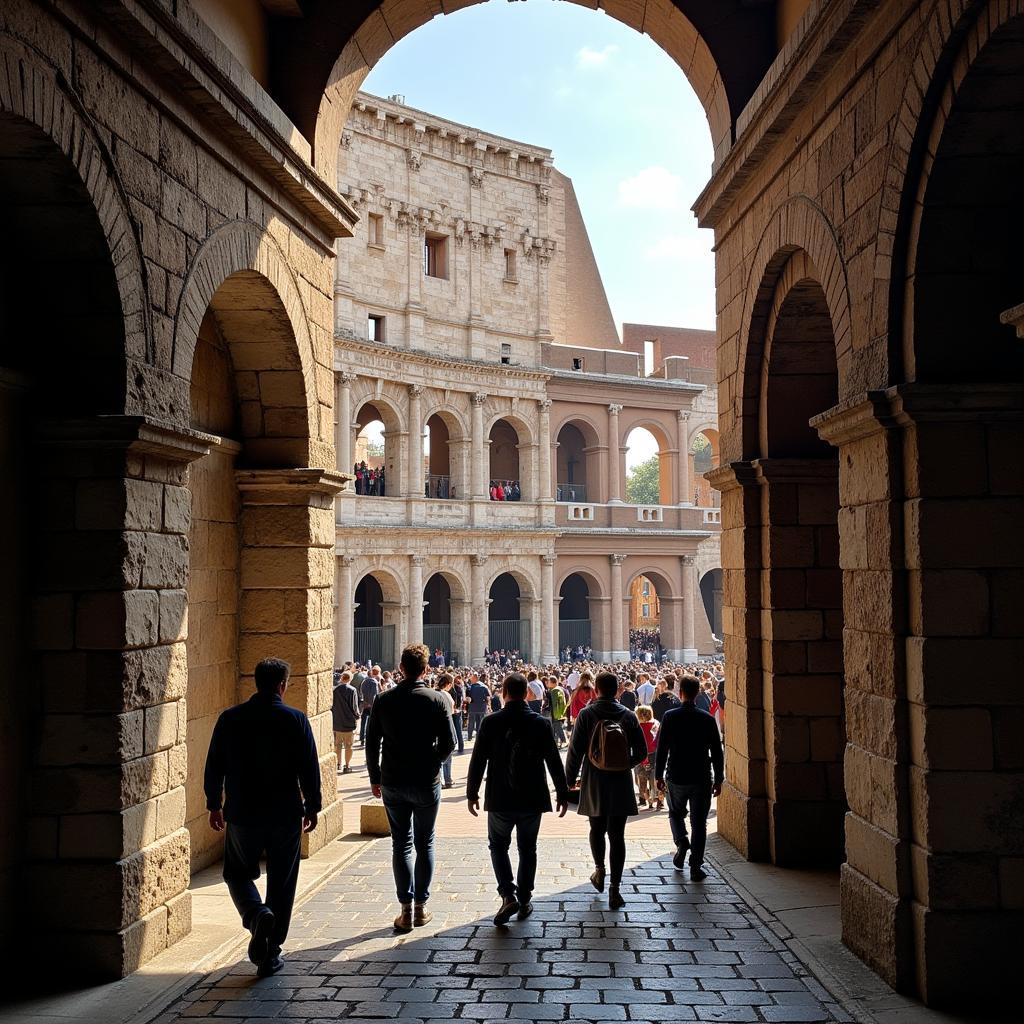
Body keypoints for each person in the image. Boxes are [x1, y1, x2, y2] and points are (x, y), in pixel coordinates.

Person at [203, 658, 321, 978]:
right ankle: (271, 953)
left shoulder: (230, 719)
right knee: (282, 881)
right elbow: (309, 768)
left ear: (256, 683)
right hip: (284, 813)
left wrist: (214, 803)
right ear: (282, 685)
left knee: (237, 874)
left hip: (243, 813)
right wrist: (313, 806)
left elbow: (214, 765)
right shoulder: (296, 720)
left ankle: (256, 915)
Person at [366, 643, 457, 931]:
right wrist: (433, 763)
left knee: (400, 844)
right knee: (425, 842)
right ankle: (421, 908)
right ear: (426, 669)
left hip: (393, 780)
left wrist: (374, 776)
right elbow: (450, 743)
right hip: (425, 781)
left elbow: (371, 742)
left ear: (401, 668)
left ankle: (405, 911)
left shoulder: (383, 700)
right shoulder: (436, 699)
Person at [467, 672, 569, 925]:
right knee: (528, 848)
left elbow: (478, 760)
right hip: (532, 797)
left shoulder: (491, 722)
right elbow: (554, 762)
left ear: (503, 692)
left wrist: (472, 793)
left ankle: (507, 894)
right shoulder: (541, 723)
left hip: (500, 796)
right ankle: (524, 897)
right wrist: (562, 793)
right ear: (527, 694)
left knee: (498, 846)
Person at [565, 671, 647, 911]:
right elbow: (641, 752)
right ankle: (615, 889)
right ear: (618, 690)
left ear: (597, 690)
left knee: (596, 828)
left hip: (594, 781)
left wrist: (567, 781)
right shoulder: (629, 716)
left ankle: (599, 870)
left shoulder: (587, 714)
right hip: (620, 781)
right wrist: (624, 764)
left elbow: (575, 752)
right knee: (617, 835)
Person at [655, 674, 724, 882]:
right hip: (701, 776)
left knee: (675, 814)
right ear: (698, 693)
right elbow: (717, 751)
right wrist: (719, 778)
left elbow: (662, 748)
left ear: (681, 693)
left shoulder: (670, 716)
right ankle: (696, 865)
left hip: (676, 775)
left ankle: (682, 841)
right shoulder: (707, 719)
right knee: (699, 823)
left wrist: (658, 775)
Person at [331, 669, 360, 774]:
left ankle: (338, 763)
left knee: (337, 745)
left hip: (337, 722)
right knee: (348, 746)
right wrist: (357, 716)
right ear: (350, 679)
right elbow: (354, 707)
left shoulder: (335, 690)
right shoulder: (352, 690)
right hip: (349, 722)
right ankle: (347, 766)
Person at [634, 705, 659, 809]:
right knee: (654, 778)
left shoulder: (636, 726)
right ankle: (657, 800)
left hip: (640, 754)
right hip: (654, 754)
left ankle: (644, 798)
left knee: (641, 777)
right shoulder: (656, 724)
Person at [544, 674, 568, 747]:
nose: (547, 683)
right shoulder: (559, 688)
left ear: (553, 682)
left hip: (555, 713)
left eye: (549, 681)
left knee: (557, 727)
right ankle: (556, 742)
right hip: (559, 712)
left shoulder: (554, 691)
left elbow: (554, 704)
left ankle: (564, 740)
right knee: (555, 727)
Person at [466, 672, 490, 739]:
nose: (471, 679)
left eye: (472, 678)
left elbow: (468, 699)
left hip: (472, 708)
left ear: (475, 678)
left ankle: (469, 737)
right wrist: (488, 706)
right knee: (481, 723)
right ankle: (479, 737)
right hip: (482, 708)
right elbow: (488, 698)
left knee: (471, 723)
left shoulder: (470, 687)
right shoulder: (484, 687)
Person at [358, 667, 378, 745]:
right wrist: (371, 703)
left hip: (365, 704)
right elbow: (374, 694)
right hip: (371, 705)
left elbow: (361, 692)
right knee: (371, 723)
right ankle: (368, 738)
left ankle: (362, 738)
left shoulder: (364, 681)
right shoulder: (374, 682)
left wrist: (364, 702)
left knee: (363, 722)